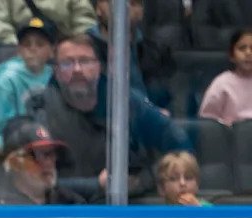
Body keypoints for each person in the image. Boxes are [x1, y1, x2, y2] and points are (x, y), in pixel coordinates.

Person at [26, 34, 192, 202]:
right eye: (67, 63)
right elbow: (32, 179)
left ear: (99, 67)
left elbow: (179, 145)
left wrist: (140, 181)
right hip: (63, 210)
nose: (77, 69)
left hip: (127, 206)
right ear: (56, 71)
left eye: (85, 61)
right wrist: (96, 185)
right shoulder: (40, 108)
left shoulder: (126, 101)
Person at [87, 0, 174, 109]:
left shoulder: (156, 53)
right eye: (113, 2)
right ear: (98, 8)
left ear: (141, 12)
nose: (123, 9)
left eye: (132, 3)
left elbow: (166, 98)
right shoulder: (81, 50)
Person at [0, 16, 55, 148]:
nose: (33, 49)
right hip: (18, 143)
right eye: (27, 44)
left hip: (52, 139)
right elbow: (1, 125)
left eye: (40, 44)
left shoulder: (55, 75)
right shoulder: (7, 79)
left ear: (52, 51)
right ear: (19, 50)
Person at [0, 117, 85, 204]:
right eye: (36, 155)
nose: (49, 162)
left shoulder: (71, 203)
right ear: (15, 163)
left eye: (52, 154)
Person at [198, 28, 252, 126]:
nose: (248, 53)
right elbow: (207, 122)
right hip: (231, 139)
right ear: (232, 55)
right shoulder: (222, 83)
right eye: (242, 48)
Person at [0, 0, 95, 46]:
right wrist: (27, 50)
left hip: (65, 52)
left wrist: (71, 49)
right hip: (20, 55)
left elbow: (84, 20)